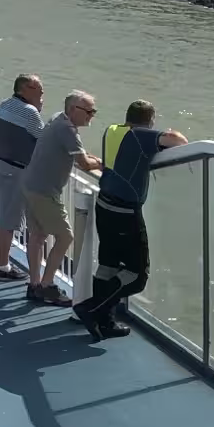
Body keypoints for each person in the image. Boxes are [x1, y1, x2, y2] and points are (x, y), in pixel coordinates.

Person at [76, 101, 188, 340]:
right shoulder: (141, 136)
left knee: (108, 266)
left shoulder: (113, 130)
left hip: (104, 204)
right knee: (137, 275)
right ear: (150, 120)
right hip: (125, 213)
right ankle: (92, 308)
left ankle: (105, 322)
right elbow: (178, 141)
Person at [21, 91, 101, 306]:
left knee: (38, 235)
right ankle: (47, 286)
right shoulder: (67, 129)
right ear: (74, 109)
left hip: (30, 184)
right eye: (89, 111)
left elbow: (78, 155)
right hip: (44, 191)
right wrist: (103, 165)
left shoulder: (57, 119)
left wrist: (92, 158)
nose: (92, 116)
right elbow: (84, 164)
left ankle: (35, 284)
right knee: (65, 237)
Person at [0, 75, 45, 280]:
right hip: (14, 170)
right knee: (8, 221)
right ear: (25, 89)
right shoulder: (31, 112)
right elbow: (43, 140)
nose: (42, 92)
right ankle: (3, 267)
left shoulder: (5, 104)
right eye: (38, 88)